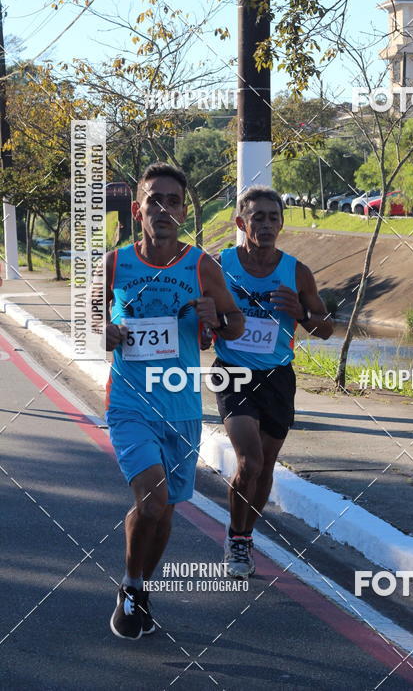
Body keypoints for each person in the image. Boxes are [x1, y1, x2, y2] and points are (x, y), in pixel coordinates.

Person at [103, 162, 244, 640]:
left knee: (164, 510)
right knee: (152, 498)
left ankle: (140, 587)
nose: (163, 209)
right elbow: (87, 321)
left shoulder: (201, 265)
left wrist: (215, 318)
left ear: (184, 211)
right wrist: (103, 332)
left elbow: (235, 324)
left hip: (182, 407)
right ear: (137, 209)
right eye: (154, 200)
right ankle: (130, 585)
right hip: (130, 403)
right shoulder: (115, 264)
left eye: (173, 201)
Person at [211, 185, 334, 577]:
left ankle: (244, 535)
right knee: (249, 461)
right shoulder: (219, 265)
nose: (266, 224)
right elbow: (196, 311)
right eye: (257, 217)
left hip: (278, 376)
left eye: (273, 217)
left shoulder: (296, 272)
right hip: (233, 372)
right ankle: (237, 539)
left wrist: (301, 312)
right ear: (241, 222)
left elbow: (326, 329)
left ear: (282, 224)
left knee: (265, 467)